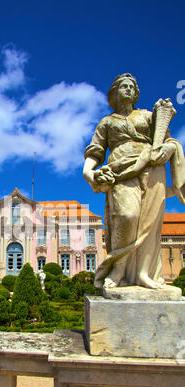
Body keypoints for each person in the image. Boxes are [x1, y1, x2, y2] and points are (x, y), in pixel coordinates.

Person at [83, 73, 185, 290]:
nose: (129, 89)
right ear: (115, 92)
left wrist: (167, 148)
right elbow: (96, 150)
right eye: (124, 86)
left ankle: (142, 273)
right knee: (127, 215)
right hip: (120, 169)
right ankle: (118, 268)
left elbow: (167, 140)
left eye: (132, 86)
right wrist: (88, 171)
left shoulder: (148, 116)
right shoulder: (107, 122)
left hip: (153, 167)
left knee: (150, 224)